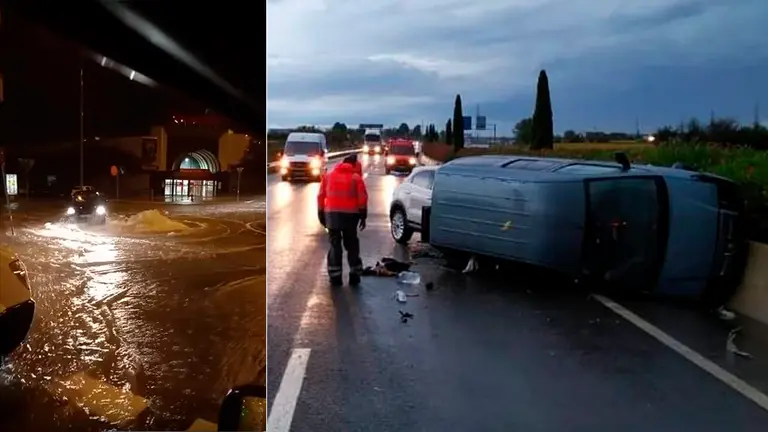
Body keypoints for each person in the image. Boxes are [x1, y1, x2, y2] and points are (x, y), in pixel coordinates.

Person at [317, 154, 368, 286]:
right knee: (351, 244)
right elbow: (362, 198)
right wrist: (363, 215)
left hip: (331, 215)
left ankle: (335, 276)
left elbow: (320, 196)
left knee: (335, 244)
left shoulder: (328, 176)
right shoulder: (356, 178)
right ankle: (354, 274)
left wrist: (321, 213)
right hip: (351, 216)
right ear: (353, 165)